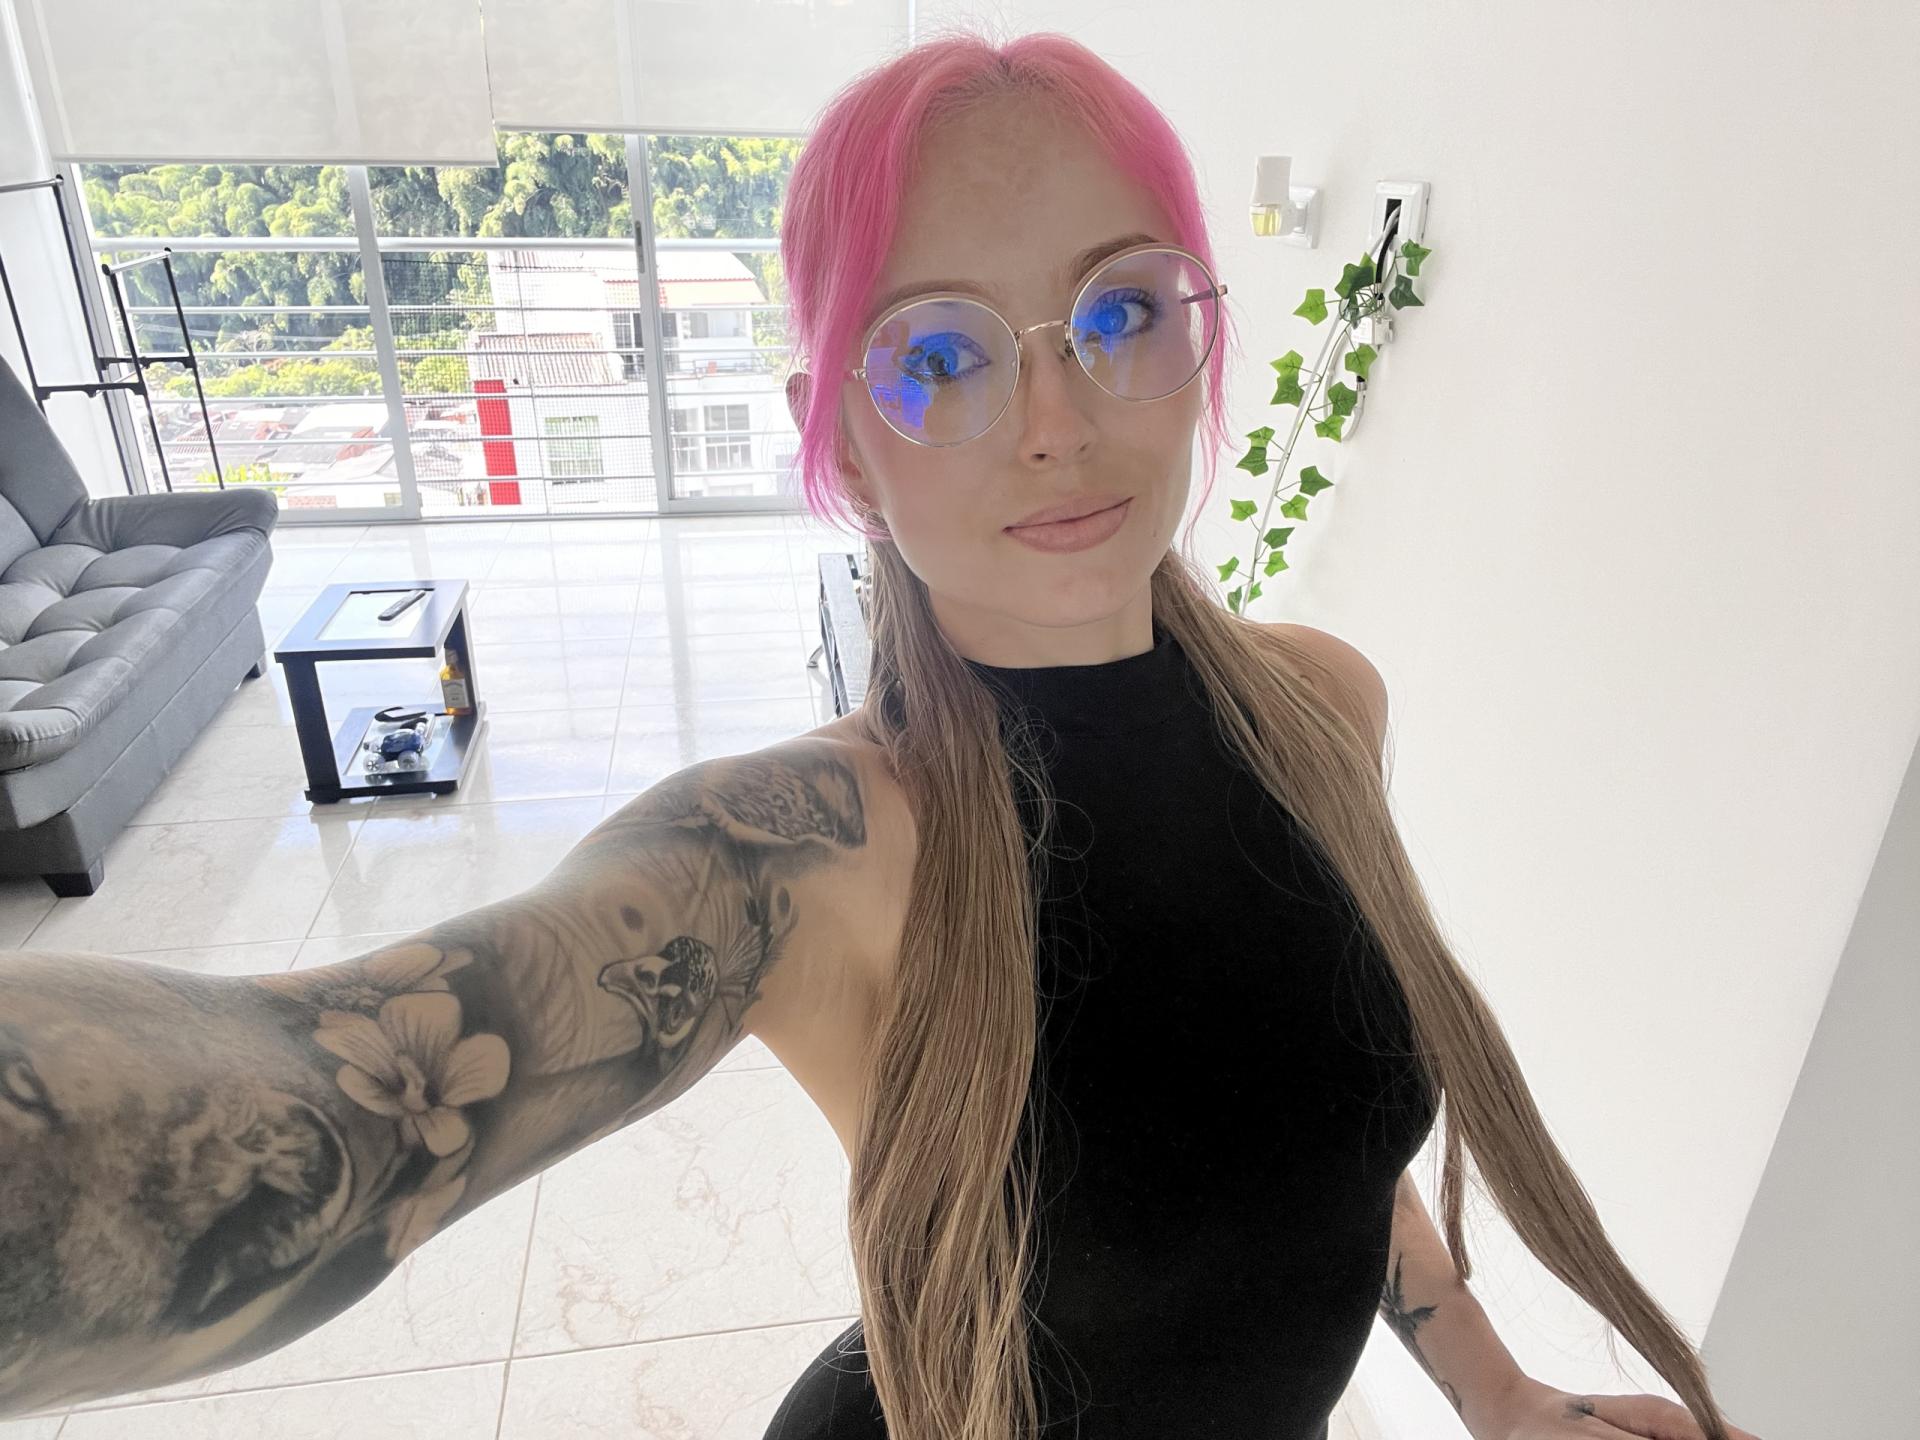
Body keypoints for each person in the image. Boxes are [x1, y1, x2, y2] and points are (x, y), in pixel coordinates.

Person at [0, 27, 1762, 1440]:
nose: (1056, 420)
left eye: (1119, 312)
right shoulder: (802, 853)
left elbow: (1316, 1138)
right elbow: (346, 1105)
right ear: (839, 436)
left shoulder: (1323, 707)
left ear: (1201, 339)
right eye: (940, 356)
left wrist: (1499, 1397)